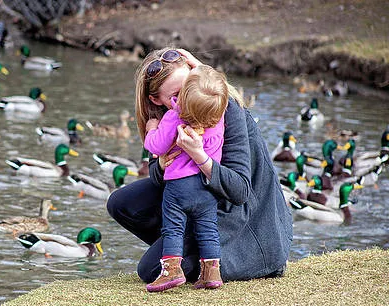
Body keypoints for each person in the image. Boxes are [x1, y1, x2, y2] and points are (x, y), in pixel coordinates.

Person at [107, 47, 292, 286]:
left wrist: (199, 156)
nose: (189, 99)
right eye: (177, 94)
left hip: (243, 216)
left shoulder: (225, 109)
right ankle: (180, 248)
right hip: (195, 196)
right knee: (121, 203)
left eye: (190, 86)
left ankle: (213, 258)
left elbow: (240, 191)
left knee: (149, 269)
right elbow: (155, 173)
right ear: (156, 100)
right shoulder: (165, 116)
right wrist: (162, 164)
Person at [143, 63, 228, 292]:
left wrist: (152, 128)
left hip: (179, 186)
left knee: (173, 228)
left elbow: (157, 146)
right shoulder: (218, 117)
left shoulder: (175, 116)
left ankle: (171, 271)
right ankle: (211, 273)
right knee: (208, 228)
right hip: (207, 186)